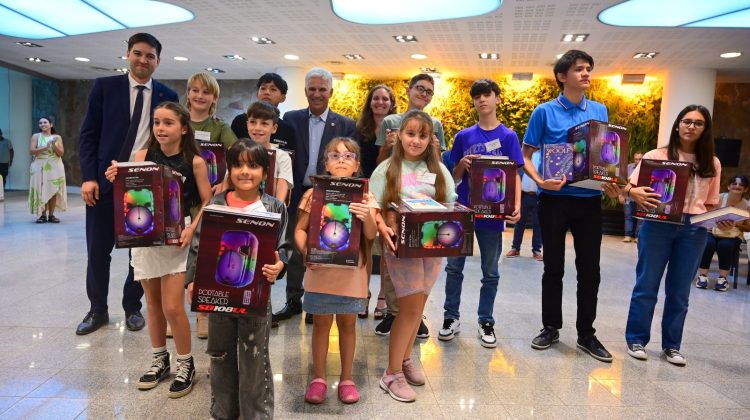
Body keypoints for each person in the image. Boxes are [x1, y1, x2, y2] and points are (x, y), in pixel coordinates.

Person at [105, 101, 212, 398]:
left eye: (168, 123)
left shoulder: (195, 161)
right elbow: (129, 190)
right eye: (156, 122)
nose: (161, 128)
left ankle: (185, 363)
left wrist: (193, 228)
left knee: (173, 306)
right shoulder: (141, 155)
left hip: (177, 236)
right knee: (152, 304)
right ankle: (158, 359)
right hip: (144, 232)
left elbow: (207, 200)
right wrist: (116, 177)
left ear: (183, 128)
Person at [77, 32, 178, 335]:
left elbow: (168, 140)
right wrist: (88, 177)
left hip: (143, 188)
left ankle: (132, 307)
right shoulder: (105, 88)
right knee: (98, 251)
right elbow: (88, 135)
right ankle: (97, 309)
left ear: (157, 61)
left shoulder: (166, 95)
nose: (142, 60)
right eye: (138, 53)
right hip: (104, 185)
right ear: (128, 55)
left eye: (149, 56)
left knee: (139, 254)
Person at [605, 104, 721, 366]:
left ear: (705, 129)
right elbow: (628, 187)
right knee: (646, 284)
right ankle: (636, 339)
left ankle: (672, 345)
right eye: (687, 121)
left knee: (680, 291)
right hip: (658, 223)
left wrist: (717, 219)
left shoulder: (711, 162)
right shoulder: (656, 155)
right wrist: (631, 193)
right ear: (677, 125)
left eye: (698, 123)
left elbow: (711, 203)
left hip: (694, 228)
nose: (691, 126)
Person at [186, 138, 291, 418]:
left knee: (254, 358)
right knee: (220, 356)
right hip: (219, 298)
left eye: (253, 166)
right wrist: (191, 281)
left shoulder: (275, 208)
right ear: (229, 170)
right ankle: (223, 412)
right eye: (238, 165)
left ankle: (256, 415)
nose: (245, 172)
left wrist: (279, 265)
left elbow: (284, 248)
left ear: (265, 174)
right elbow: (199, 245)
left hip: (256, 298)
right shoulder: (216, 204)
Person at [521, 49, 613, 362]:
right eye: (579, 69)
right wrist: (539, 181)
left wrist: (611, 175)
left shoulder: (600, 110)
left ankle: (587, 333)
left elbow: (604, 154)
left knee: (590, 270)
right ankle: (551, 327)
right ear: (562, 76)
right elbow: (526, 153)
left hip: (589, 200)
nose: (586, 73)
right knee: (553, 268)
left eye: (589, 68)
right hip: (554, 200)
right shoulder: (544, 112)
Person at [371, 110, 457, 402]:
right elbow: (374, 207)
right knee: (407, 310)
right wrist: (386, 224)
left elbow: (450, 205)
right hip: (401, 251)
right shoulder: (386, 170)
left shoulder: (440, 171)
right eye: (411, 133)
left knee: (417, 309)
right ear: (399, 136)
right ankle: (390, 374)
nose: (416, 140)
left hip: (432, 250)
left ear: (431, 139)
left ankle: (405, 360)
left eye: (423, 135)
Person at [439, 79, 522, 348]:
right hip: (463, 211)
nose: (482, 100)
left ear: (497, 98)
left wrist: (516, 204)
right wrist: (461, 164)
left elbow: (515, 174)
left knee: (490, 272)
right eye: (477, 96)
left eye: (487, 95)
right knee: (454, 268)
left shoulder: (509, 137)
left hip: (493, 213)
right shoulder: (463, 137)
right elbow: (453, 178)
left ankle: (486, 320)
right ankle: (451, 317)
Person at [298, 138, 377, 405]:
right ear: (326, 164)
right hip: (320, 271)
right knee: (320, 324)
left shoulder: (366, 196)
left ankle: (346, 378)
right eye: (334, 155)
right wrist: (306, 252)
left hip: (352, 275)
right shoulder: (313, 193)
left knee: (347, 324)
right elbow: (299, 230)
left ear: (357, 165)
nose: (341, 159)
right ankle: (318, 378)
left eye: (348, 156)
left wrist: (367, 217)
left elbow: (370, 236)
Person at [276, 67, 356, 326]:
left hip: (330, 194)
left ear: (331, 92)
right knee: (295, 246)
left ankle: (313, 302)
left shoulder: (345, 124)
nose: (317, 94)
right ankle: (292, 300)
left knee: (322, 246)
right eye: (312, 89)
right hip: (297, 192)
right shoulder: (290, 118)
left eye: (322, 89)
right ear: (306, 91)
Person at [374, 73, 446, 338]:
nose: (423, 94)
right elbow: (380, 157)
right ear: (408, 89)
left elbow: (439, 165)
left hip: (424, 200)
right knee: (392, 259)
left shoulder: (436, 123)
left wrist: (436, 149)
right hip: (395, 195)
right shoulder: (391, 121)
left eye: (429, 91)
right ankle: (394, 313)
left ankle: (417, 315)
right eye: (420, 88)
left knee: (423, 260)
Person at [185, 71, 237, 339]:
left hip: (210, 199)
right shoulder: (179, 123)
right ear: (188, 93)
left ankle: (203, 313)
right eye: (195, 90)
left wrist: (226, 181)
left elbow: (237, 154)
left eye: (205, 92)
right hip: (181, 198)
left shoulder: (220, 127)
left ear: (214, 97)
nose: (199, 96)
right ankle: (180, 313)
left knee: (204, 253)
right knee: (180, 257)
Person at [354, 84, 397, 319]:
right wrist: (385, 147)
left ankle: (382, 297)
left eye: (385, 99)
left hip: (390, 192)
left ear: (391, 103)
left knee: (385, 247)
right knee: (367, 246)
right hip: (366, 190)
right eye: (376, 98)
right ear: (370, 102)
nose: (380, 102)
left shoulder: (399, 127)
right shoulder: (359, 130)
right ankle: (364, 294)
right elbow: (366, 163)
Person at [696, 175, 750, 291]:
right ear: (729, 186)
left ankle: (723, 279)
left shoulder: (747, 205)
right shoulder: (719, 198)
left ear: (745, 189)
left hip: (733, 235)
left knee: (725, 245)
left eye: (741, 185)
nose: (737, 186)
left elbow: (748, 227)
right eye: (734, 183)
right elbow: (705, 216)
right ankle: (703, 276)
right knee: (707, 243)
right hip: (712, 230)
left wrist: (735, 224)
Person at [230, 72, 297, 152]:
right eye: (263, 88)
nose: (267, 92)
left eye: (273, 89)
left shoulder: (287, 129)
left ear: (283, 98)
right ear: (257, 94)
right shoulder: (240, 121)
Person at [245, 101, 294, 202]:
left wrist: (276, 211)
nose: (257, 128)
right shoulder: (239, 152)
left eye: (264, 123)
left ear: (274, 128)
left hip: (270, 211)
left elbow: (282, 186)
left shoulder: (282, 156)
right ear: (247, 124)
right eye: (253, 122)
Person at [29, 116, 67, 223]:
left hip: (55, 166)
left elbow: (61, 153)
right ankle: (42, 215)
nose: (42, 124)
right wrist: (45, 147)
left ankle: (51, 215)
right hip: (39, 166)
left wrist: (53, 145)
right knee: (41, 189)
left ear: (51, 124)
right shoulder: (36, 136)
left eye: (45, 122)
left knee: (53, 189)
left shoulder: (57, 137)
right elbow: (32, 151)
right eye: (40, 123)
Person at [507, 150, 543, 260]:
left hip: (539, 195)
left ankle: (537, 250)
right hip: (523, 195)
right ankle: (515, 248)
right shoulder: (522, 155)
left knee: (538, 224)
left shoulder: (544, 154)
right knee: (519, 222)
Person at [621, 151, 643, 243]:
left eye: (640, 159)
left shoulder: (646, 168)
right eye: (636, 159)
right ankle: (628, 235)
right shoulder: (628, 167)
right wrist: (620, 195)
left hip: (641, 197)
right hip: (628, 197)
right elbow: (622, 182)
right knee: (628, 216)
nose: (637, 161)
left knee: (640, 218)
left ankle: (638, 237)